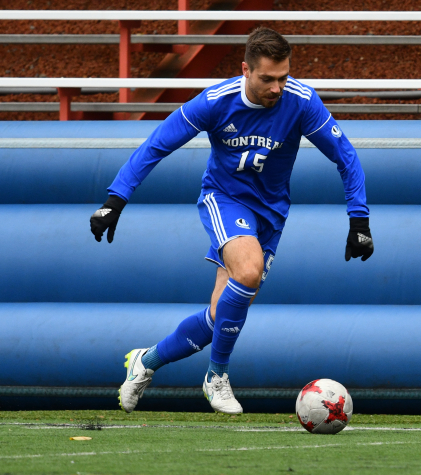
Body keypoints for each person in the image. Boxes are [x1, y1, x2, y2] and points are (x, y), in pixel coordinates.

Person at [90, 27, 374, 415]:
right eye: (267, 79)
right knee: (249, 271)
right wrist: (115, 199)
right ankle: (217, 376)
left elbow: (346, 156)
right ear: (245, 69)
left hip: (271, 213)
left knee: (222, 313)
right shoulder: (214, 102)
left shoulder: (301, 101)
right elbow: (157, 144)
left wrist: (359, 219)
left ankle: (146, 361)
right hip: (224, 200)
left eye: (284, 77)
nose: (278, 87)